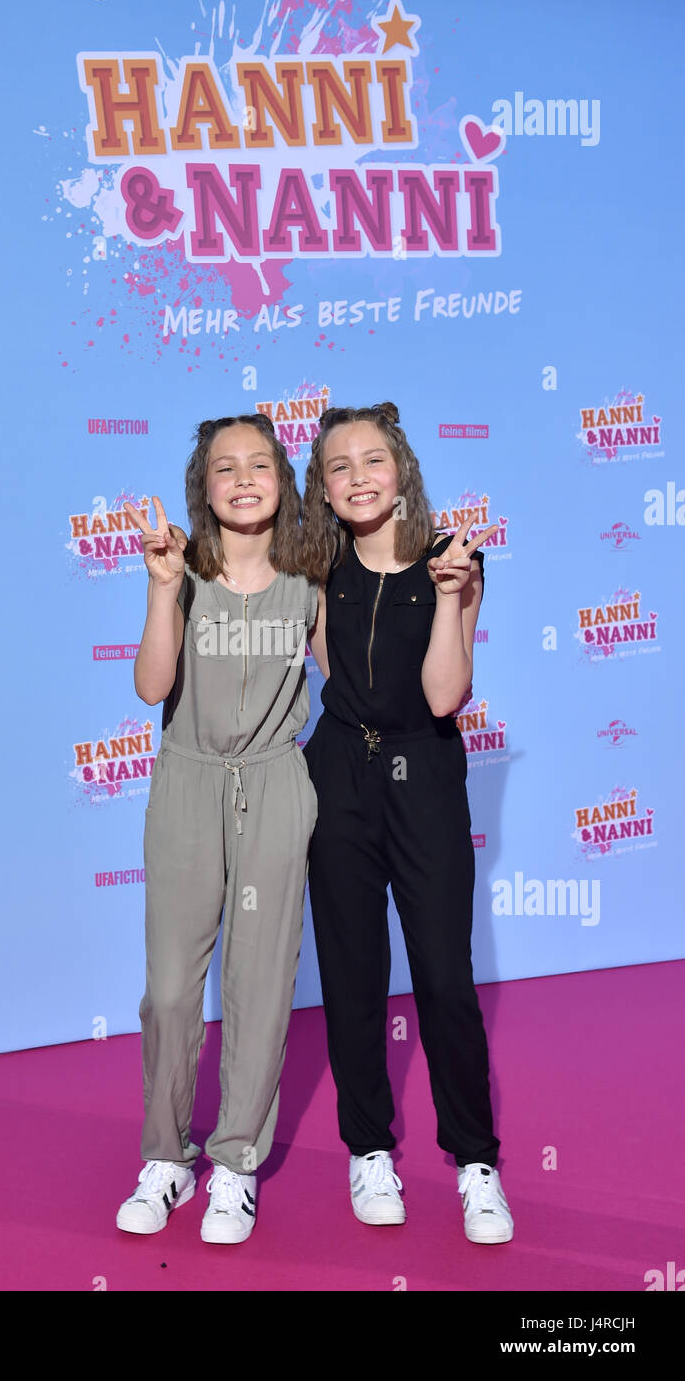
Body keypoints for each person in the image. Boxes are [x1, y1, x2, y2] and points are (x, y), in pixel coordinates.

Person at [301, 401, 513, 1244]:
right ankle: (367, 1150)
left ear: (402, 470)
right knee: (351, 975)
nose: (357, 477)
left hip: (422, 772)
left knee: (443, 975)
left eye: (372, 460)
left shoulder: (453, 558)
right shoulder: (319, 568)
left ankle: (475, 1163)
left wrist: (453, 601)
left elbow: (439, 696)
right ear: (321, 487)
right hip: (338, 777)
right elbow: (329, 674)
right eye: (339, 466)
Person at [115, 413, 319, 1244]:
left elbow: (355, 679)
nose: (242, 479)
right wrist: (162, 588)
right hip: (189, 784)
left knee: (260, 987)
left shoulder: (311, 581)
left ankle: (234, 1164)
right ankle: (167, 1157)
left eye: (259, 465)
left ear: (282, 480)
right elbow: (150, 684)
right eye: (224, 467)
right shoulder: (182, 572)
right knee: (170, 989)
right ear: (202, 487)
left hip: (275, 785)